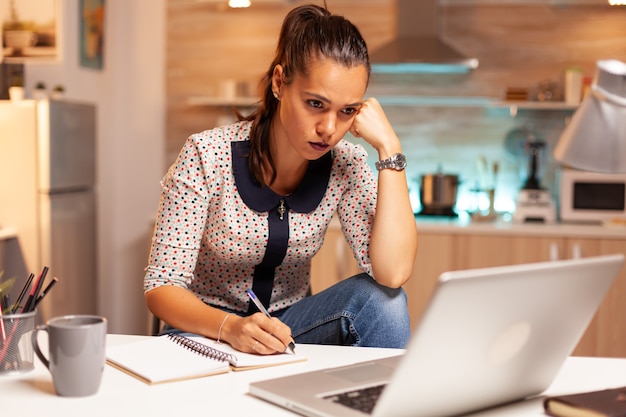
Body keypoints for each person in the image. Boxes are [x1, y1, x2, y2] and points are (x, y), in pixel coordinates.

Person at [144, 3, 418, 355]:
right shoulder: (206, 155)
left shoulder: (347, 164)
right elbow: (161, 286)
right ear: (279, 83)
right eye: (315, 104)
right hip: (204, 328)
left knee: (385, 301)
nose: (329, 129)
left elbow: (392, 274)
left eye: (347, 111)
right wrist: (232, 328)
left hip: (290, 328)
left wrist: (389, 149)